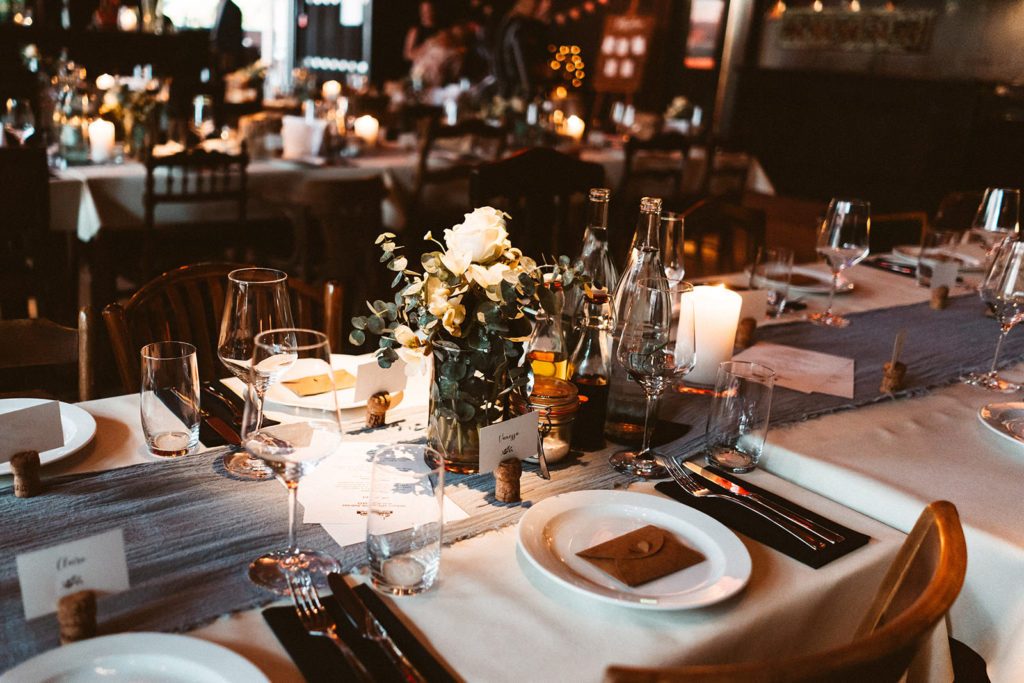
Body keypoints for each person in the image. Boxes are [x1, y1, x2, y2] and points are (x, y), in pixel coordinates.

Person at [493, 0, 552, 100]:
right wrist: (528, 89)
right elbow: (522, 60)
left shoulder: (512, 23)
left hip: (514, 86)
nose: (547, 5)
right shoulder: (521, 27)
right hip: (518, 88)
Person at [404, 1, 441, 66]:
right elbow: (407, 55)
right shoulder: (415, 30)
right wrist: (427, 45)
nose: (427, 13)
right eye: (424, 11)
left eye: (429, 10)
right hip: (420, 69)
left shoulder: (441, 31)